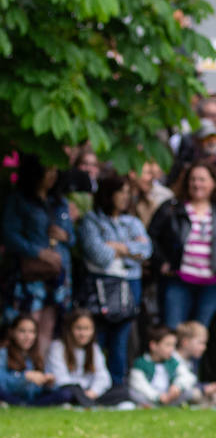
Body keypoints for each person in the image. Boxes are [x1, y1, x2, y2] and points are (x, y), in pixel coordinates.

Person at [150, 162, 216, 330]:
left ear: (213, 183)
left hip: (212, 283)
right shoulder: (172, 208)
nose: (197, 184)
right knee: (173, 329)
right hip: (178, 280)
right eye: (192, 179)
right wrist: (162, 262)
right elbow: (152, 237)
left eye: (202, 179)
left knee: (198, 334)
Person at [77, 173, 150, 386]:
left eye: (129, 193)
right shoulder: (92, 219)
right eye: (121, 192)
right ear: (109, 194)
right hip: (100, 285)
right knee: (97, 336)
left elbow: (146, 250)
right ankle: (92, 385)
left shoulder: (133, 221)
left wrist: (115, 247)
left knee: (121, 339)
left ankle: (117, 387)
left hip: (129, 284)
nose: (126, 197)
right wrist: (129, 249)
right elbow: (97, 253)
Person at [3, 154, 74, 356]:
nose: (51, 175)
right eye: (47, 170)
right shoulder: (19, 200)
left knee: (48, 324)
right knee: (27, 323)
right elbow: (9, 235)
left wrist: (65, 236)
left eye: (54, 171)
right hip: (30, 275)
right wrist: (37, 251)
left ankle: (41, 369)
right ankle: (20, 370)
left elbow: (73, 238)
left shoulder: (60, 202)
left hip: (58, 273)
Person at [45, 309, 133, 407]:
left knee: (122, 392)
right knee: (67, 394)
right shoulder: (58, 347)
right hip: (68, 391)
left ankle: (83, 402)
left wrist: (92, 392)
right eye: (79, 328)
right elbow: (61, 379)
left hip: (88, 392)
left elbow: (103, 377)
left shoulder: (94, 349)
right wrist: (81, 393)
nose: (83, 334)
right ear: (70, 329)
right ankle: (84, 403)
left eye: (87, 329)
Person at [0, 314, 77, 406]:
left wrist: (47, 382)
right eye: (22, 331)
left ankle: (25, 405)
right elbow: (3, 383)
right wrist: (25, 377)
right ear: (12, 332)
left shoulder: (35, 355)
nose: (28, 336)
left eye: (32, 332)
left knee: (66, 393)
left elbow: (39, 390)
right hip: (11, 396)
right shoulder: (3, 353)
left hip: (32, 400)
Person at [129, 324, 192, 407]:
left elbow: (188, 376)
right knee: (133, 393)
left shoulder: (172, 361)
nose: (172, 349)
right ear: (153, 345)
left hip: (169, 395)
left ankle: (165, 404)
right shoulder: (141, 363)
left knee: (188, 392)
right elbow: (140, 384)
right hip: (151, 397)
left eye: (173, 345)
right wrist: (157, 397)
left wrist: (177, 386)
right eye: (168, 345)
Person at [173, 321, 216, 405]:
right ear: (185, 342)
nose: (204, 347)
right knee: (195, 394)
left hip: (193, 391)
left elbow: (194, 383)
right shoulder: (173, 359)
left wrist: (207, 387)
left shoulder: (190, 362)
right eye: (201, 343)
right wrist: (203, 388)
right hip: (178, 394)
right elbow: (183, 384)